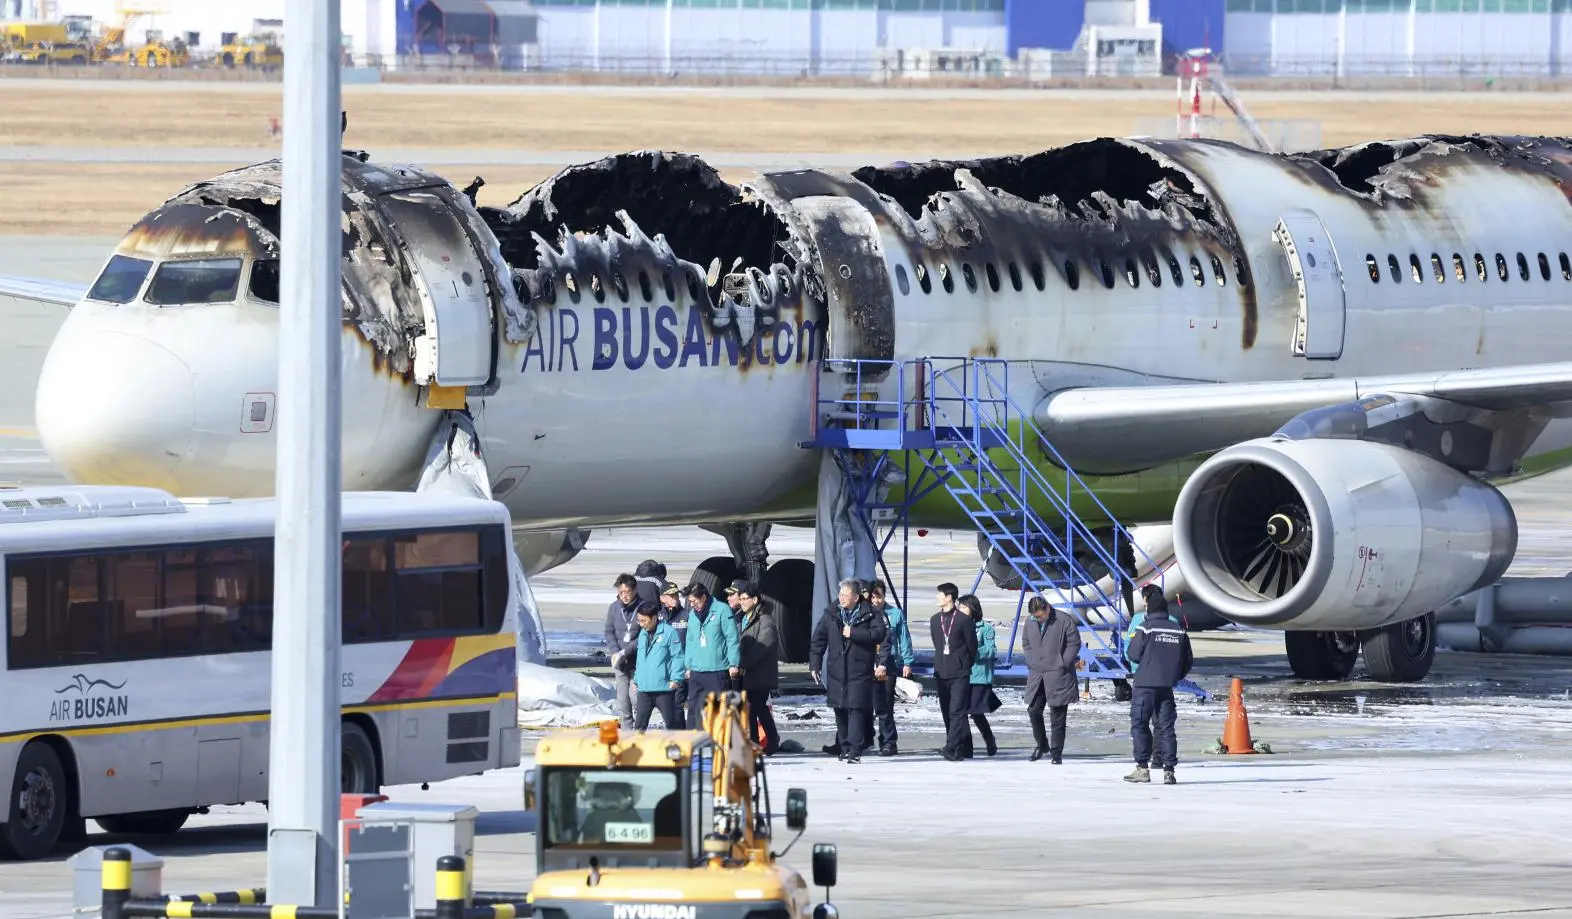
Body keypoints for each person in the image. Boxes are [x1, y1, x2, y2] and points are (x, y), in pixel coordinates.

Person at [809, 578, 888, 763]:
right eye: (840, 594)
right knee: (840, 708)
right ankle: (843, 747)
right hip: (837, 669)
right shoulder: (832, 613)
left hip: (858, 669)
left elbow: (879, 634)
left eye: (845, 595)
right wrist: (815, 663)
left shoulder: (871, 613)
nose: (841, 598)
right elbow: (818, 639)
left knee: (856, 709)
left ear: (856, 596)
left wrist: (854, 633)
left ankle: (854, 749)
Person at [1124, 589, 1194, 785]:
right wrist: (1175, 676)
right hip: (1166, 686)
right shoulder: (1178, 629)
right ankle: (1169, 770)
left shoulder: (1145, 627)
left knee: (1140, 724)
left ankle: (1142, 768)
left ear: (1149, 609)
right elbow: (1188, 659)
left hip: (1145, 684)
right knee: (1166, 727)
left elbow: (1134, 654)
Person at [1021, 595, 1082, 763]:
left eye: (1040, 615)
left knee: (1058, 715)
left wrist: (1063, 662)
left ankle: (1056, 752)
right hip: (1037, 674)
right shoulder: (1030, 622)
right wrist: (1031, 660)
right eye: (1035, 616)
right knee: (1033, 710)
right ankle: (1042, 744)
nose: (1038, 619)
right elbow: (1026, 643)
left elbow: (1074, 643)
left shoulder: (1063, 620)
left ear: (1047, 608)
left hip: (1058, 674)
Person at [929, 582, 977, 762]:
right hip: (942, 672)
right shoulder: (935, 620)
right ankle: (958, 745)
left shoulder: (964, 620)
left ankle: (952, 747)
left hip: (959, 673)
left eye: (939, 594)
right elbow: (937, 643)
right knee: (946, 711)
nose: (937, 597)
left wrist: (964, 664)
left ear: (949, 597)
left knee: (957, 711)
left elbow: (972, 647)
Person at [683, 583, 741, 730]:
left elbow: (732, 638)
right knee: (694, 709)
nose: (692, 604)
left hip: (717, 669)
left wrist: (734, 663)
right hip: (697, 669)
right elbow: (690, 641)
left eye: (694, 601)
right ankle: (693, 742)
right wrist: (688, 665)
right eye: (690, 602)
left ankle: (719, 743)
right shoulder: (692, 615)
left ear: (703, 597)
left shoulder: (722, 610)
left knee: (718, 710)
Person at [735, 581, 781, 754]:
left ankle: (772, 738)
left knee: (758, 707)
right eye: (740, 598)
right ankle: (753, 741)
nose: (741, 602)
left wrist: (742, 663)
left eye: (745, 598)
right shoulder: (744, 617)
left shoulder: (765, 620)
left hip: (760, 673)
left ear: (755, 600)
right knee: (752, 709)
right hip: (749, 673)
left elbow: (762, 645)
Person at [869, 580, 913, 757]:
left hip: (887, 664)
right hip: (867, 664)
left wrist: (907, 662)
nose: (875, 600)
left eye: (878, 596)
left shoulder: (894, 614)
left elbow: (904, 638)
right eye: (872, 596)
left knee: (885, 705)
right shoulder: (866, 613)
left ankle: (888, 741)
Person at [631, 601, 684, 731]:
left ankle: (677, 748)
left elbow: (677, 656)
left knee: (672, 723)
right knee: (639, 726)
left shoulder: (669, 632)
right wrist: (637, 678)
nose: (641, 624)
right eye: (639, 621)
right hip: (644, 688)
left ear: (654, 617)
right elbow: (640, 659)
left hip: (663, 688)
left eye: (644, 621)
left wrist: (676, 678)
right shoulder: (643, 634)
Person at [959, 595, 998, 758]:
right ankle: (966, 746)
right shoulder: (958, 626)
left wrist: (973, 651)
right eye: (959, 607)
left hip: (979, 676)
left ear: (972, 608)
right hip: (961, 675)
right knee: (960, 712)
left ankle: (989, 739)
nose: (960, 610)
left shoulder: (985, 628)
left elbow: (992, 650)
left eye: (963, 607)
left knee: (975, 712)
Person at [602, 574, 642, 729]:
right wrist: (614, 651)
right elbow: (608, 631)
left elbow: (643, 636)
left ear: (634, 590)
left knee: (636, 699)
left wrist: (625, 651)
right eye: (621, 592)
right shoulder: (614, 607)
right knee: (623, 702)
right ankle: (626, 735)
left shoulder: (642, 607)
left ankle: (640, 732)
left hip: (637, 662)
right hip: (620, 663)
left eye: (628, 591)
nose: (624, 595)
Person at [657, 581, 689, 725]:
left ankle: (680, 736)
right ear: (662, 598)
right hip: (663, 669)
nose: (675, 598)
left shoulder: (687, 616)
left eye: (676, 595)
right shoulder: (657, 618)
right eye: (670, 595)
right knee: (666, 708)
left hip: (680, 670)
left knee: (677, 706)